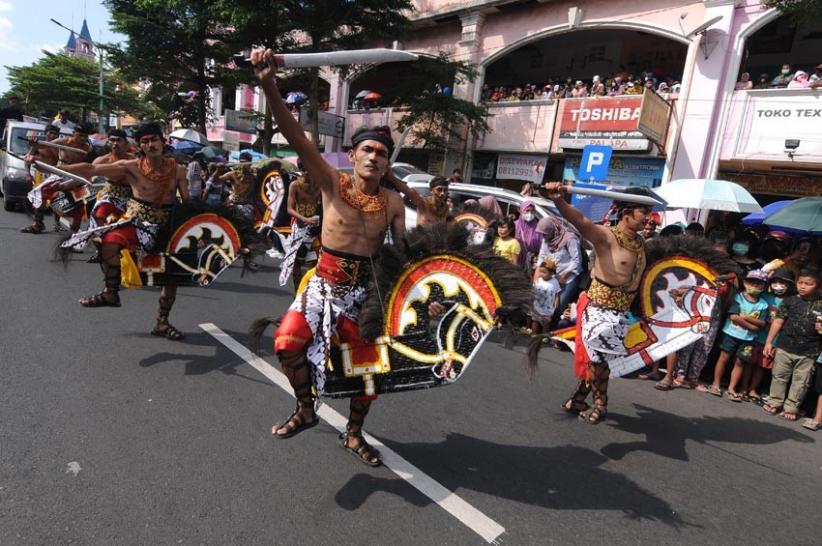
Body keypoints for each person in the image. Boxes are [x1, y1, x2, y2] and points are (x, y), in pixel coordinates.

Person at [252, 47, 406, 466]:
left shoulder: (393, 203)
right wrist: (269, 84)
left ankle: (354, 434)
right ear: (353, 155)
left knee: (367, 374)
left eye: (382, 153)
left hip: (365, 295)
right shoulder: (332, 183)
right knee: (287, 343)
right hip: (322, 285)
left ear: (388, 162)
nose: (374, 157)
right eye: (367, 150)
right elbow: (296, 136)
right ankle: (305, 409)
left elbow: (402, 255)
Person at [58, 122, 190, 340]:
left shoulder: (179, 170)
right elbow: (91, 170)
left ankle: (162, 323)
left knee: (170, 278)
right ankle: (111, 293)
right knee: (109, 240)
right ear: (140, 146)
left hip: (167, 226)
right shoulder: (131, 166)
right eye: (145, 141)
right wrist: (51, 167)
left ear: (163, 142)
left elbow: (187, 203)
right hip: (137, 222)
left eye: (154, 139)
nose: (150, 144)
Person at [545, 182, 652, 424]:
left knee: (599, 358)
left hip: (622, 311)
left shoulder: (642, 243)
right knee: (599, 357)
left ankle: (579, 399)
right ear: (626, 214)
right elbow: (581, 221)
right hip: (598, 308)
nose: (648, 217)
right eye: (643, 212)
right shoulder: (606, 236)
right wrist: (559, 200)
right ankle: (602, 403)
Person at [763, 268, 822, 421]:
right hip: (785, 346)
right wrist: (769, 342)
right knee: (779, 376)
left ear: (818, 286)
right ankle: (775, 401)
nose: (802, 286)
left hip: (809, 351)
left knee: (801, 382)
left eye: (808, 284)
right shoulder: (789, 301)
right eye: (800, 282)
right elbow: (778, 321)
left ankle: (792, 407)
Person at [21, 122, 93, 235]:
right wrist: (35, 144)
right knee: (41, 193)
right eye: (80, 135)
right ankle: (38, 224)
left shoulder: (87, 148)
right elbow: (44, 145)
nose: (83, 139)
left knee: (78, 205)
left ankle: (74, 233)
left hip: (76, 178)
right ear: (74, 134)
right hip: (60, 174)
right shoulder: (63, 142)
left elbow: (91, 165)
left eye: (85, 136)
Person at [742, 268, 795, 402]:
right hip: (756, 336)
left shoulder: (791, 302)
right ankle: (743, 387)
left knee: (762, 366)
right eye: (775, 282)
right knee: (749, 363)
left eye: (783, 283)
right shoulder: (765, 296)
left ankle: (753, 389)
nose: (778, 286)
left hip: (775, 341)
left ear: (789, 286)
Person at [86, 129, 136, 262]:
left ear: (126, 143)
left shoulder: (135, 161)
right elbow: (87, 173)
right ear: (108, 142)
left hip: (131, 200)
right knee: (99, 216)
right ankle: (102, 249)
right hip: (108, 198)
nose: (115, 143)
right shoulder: (101, 161)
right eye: (112, 140)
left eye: (119, 140)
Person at [722, 270, 771, 402]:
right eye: (751, 282)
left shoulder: (763, 304)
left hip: (748, 339)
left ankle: (732, 388)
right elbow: (733, 317)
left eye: (759, 284)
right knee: (723, 358)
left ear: (764, 287)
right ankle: (716, 384)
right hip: (731, 334)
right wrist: (753, 326)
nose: (754, 286)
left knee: (740, 363)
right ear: (744, 282)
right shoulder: (738, 297)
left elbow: (761, 323)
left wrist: (744, 318)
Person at [280, 164, 322, 290]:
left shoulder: (319, 186)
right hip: (300, 228)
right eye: (304, 170)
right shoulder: (295, 185)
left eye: (309, 169)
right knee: (297, 262)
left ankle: (308, 290)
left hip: (316, 229)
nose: (307, 173)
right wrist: (305, 219)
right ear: (301, 170)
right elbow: (289, 209)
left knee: (314, 262)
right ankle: (297, 290)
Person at [536, 216, 583, 326]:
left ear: (552, 229)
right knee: (546, 305)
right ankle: (543, 329)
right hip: (551, 278)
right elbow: (541, 257)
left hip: (568, 280)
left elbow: (576, 260)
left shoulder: (570, 238)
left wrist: (565, 275)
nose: (543, 236)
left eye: (545, 233)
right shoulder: (546, 239)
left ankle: (554, 332)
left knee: (558, 306)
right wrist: (537, 276)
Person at [532, 258, 561, 335]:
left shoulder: (555, 282)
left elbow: (557, 292)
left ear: (551, 273)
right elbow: (533, 290)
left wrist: (557, 301)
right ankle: (533, 334)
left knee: (546, 323)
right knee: (535, 321)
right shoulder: (538, 280)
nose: (541, 274)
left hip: (548, 308)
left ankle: (543, 335)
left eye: (544, 272)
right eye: (540, 271)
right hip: (537, 306)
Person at [514, 200, 541, 271]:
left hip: (530, 265)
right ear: (521, 210)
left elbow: (541, 248)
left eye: (532, 211)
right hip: (514, 263)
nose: (530, 214)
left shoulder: (538, 228)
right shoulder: (514, 225)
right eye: (527, 210)